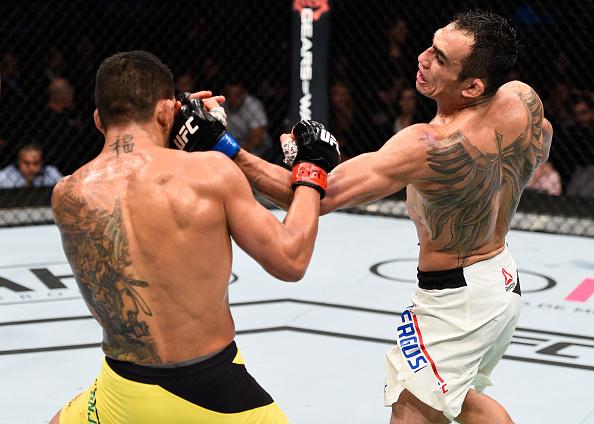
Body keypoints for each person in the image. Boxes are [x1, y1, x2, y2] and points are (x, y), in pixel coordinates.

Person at [231, 10, 553, 423]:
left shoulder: (425, 146)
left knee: (410, 412)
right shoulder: (523, 101)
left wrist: (226, 148)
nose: (422, 58)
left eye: (439, 58)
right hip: (501, 281)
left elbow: (316, 198)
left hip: (455, 302)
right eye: (431, 45)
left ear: (473, 86)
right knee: (462, 398)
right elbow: (542, 142)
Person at [49, 50, 339, 423]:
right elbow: (292, 258)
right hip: (216, 396)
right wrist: (311, 168)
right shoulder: (210, 173)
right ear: (166, 112)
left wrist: (169, 131)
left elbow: (134, 193)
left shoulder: (67, 194)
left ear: (97, 119)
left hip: (120, 393)